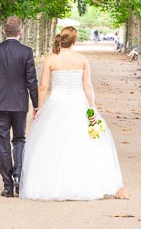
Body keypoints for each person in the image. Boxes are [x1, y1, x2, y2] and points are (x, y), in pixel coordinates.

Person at [20, 26, 127, 201]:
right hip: (79, 103)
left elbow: (43, 87)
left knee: (51, 144)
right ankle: (83, 182)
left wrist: (39, 107)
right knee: (82, 143)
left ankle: (52, 184)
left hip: (57, 103)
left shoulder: (51, 60)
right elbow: (88, 86)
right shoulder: (82, 59)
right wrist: (92, 108)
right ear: (74, 41)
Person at [0, 16, 39, 198]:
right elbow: (32, 81)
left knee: (3, 143)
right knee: (19, 140)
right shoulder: (26, 52)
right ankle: (18, 176)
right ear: (20, 32)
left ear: (4, 31)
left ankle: (7, 185)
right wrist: (36, 104)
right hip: (19, 103)